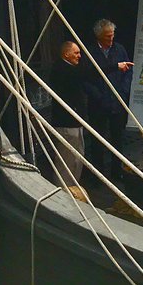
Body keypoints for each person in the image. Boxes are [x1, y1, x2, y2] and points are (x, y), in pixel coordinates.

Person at [85, 19, 133, 181]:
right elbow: (87, 78)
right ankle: (98, 174)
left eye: (112, 36)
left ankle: (116, 172)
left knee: (118, 139)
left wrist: (124, 91)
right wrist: (98, 96)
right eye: (106, 37)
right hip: (98, 103)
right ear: (98, 36)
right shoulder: (90, 52)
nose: (110, 40)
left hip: (117, 101)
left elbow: (128, 72)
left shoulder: (119, 49)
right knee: (97, 140)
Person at [48, 40, 91, 186]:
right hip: (66, 124)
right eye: (76, 53)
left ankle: (72, 189)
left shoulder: (69, 69)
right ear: (66, 54)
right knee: (66, 161)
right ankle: (64, 191)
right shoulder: (62, 69)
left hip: (75, 123)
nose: (79, 56)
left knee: (77, 160)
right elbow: (88, 73)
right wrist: (115, 67)